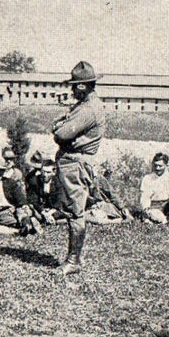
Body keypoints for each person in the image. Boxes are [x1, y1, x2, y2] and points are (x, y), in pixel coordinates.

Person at [52, 60, 106, 275]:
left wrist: (59, 128)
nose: (72, 89)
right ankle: (73, 259)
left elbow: (61, 133)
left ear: (82, 86)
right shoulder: (84, 106)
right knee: (72, 211)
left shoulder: (88, 109)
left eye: (74, 85)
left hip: (76, 163)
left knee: (75, 213)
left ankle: (73, 261)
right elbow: (60, 125)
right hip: (72, 162)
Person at [0, 156, 40, 235]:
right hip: (0, 211)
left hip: (12, 208)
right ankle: (25, 225)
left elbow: (19, 197)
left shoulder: (10, 182)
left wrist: (22, 206)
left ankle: (26, 223)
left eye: (1, 170)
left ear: (4, 171)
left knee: (21, 212)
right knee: (6, 219)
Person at [139, 153, 169, 225]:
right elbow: (144, 197)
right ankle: (166, 220)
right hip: (154, 205)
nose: (157, 168)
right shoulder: (147, 178)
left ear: (166, 166)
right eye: (155, 165)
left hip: (167, 204)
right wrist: (146, 209)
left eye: (160, 166)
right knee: (159, 217)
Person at [25, 156, 68, 225]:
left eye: (48, 172)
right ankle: (48, 221)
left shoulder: (58, 183)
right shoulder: (35, 181)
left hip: (55, 209)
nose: (45, 175)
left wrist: (49, 213)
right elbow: (33, 200)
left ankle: (47, 221)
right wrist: (43, 212)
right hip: (42, 209)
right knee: (30, 211)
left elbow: (60, 202)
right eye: (43, 172)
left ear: (54, 172)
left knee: (63, 214)